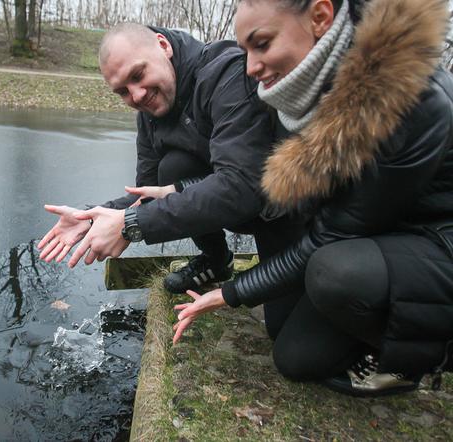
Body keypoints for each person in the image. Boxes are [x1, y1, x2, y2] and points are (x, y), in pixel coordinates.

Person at [172, 0, 453, 397]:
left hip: (434, 240)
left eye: (262, 44)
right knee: (294, 355)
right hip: (373, 230)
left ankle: (420, 358)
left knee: (333, 273)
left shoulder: (412, 99)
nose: (250, 66)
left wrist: (228, 294)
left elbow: (329, 237)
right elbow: (250, 181)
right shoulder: (303, 91)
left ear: (320, 17)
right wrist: (178, 190)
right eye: (245, 49)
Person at [38, 23, 305, 302]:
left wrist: (131, 225)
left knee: (287, 337)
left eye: (138, 75)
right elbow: (148, 192)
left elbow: (240, 188)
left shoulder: (227, 74)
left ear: (163, 46)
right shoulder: (148, 111)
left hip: (282, 209)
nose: (137, 95)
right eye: (123, 92)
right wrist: (93, 217)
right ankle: (216, 260)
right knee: (171, 169)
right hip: (231, 202)